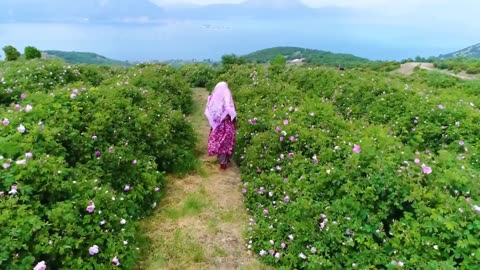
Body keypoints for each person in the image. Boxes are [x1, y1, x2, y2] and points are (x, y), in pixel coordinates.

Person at [205, 81, 237, 170]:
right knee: (227, 142)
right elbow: (232, 111)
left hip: (217, 126)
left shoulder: (214, 99)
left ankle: (222, 161)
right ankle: (224, 162)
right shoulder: (228, 99)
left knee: (219, 142)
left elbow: (210, 110)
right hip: (227, 125)